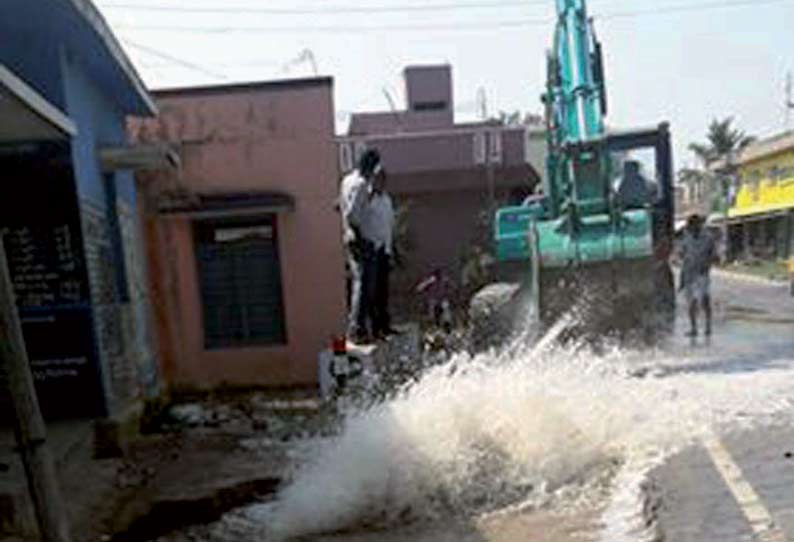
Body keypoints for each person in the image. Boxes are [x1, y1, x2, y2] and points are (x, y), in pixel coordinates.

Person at [339, 149, 381, 343]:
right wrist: (360, 235)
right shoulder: (361, 184)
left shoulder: (347, 180)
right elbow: (352, 214)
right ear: (371, 167)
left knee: (359, 283)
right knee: (364, 285)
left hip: (350, 237)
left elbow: (342, 206)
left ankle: (357, 327)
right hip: (361, 239)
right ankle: (358, 329)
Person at [360, 165, 396, 340]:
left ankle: (385, 326)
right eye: (376, 179)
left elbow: (388, 226)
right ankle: (374, 329)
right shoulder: (367, 199)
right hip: (371, 248)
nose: (380, 183)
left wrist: (390, 250)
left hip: (384, 249)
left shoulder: (387, 200)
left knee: (383, 290)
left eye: (382, 179)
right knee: (371, 291)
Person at [679, 213, 717, 337]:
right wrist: (682, 280)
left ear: (698, 225)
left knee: (704, 300)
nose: (691, 228)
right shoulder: (686, 237)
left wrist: (709, 263)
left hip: (702, 273)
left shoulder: (708, 237)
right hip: (689, 274)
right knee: (691, 302)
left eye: (693, 225)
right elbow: (683, 255)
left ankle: (708, 326)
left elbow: (713, 253)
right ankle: (693, 328)